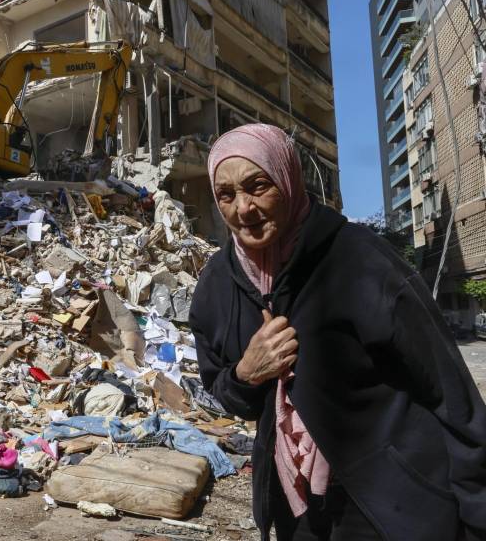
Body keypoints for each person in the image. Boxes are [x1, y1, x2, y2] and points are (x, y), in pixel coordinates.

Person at [189, 124, 486, 541]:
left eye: (258, 186)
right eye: (226, 194)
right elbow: (222, 389)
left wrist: (477, 513)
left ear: (288, 179)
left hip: (389, 502)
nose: (243, 208)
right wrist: (247, 372)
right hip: (295, 504)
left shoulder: (360, 259)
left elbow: (450, 393)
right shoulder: (217, 286)